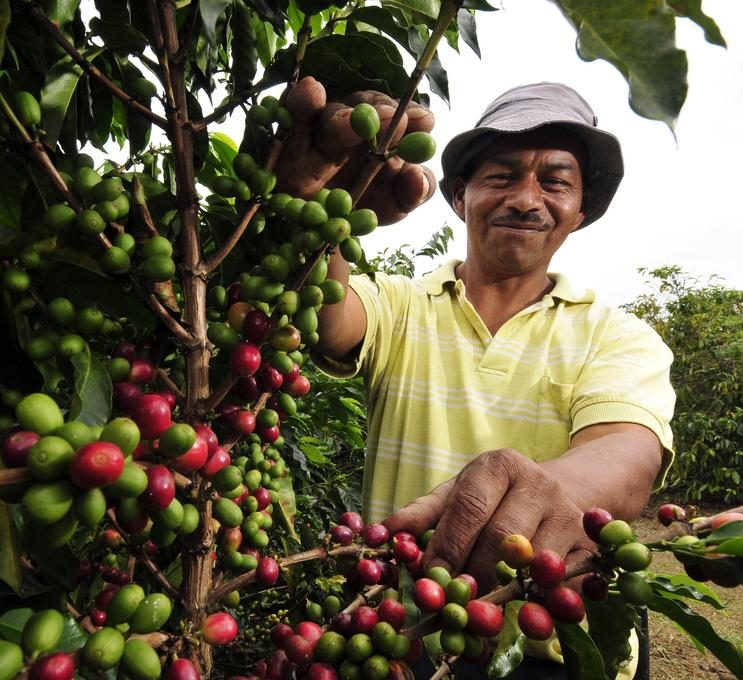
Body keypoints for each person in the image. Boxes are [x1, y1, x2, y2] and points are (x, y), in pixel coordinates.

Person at [277, 79, 676, 679]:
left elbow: (627, 451)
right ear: (460, 197)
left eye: (555, 181)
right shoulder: (401, 306)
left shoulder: (617, 336)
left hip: (557, 649)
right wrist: (315, 200)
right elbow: (332, 319)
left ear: (579, 211)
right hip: (409, 637)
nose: (525, 198)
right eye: (502, 176)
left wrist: (537, 487)